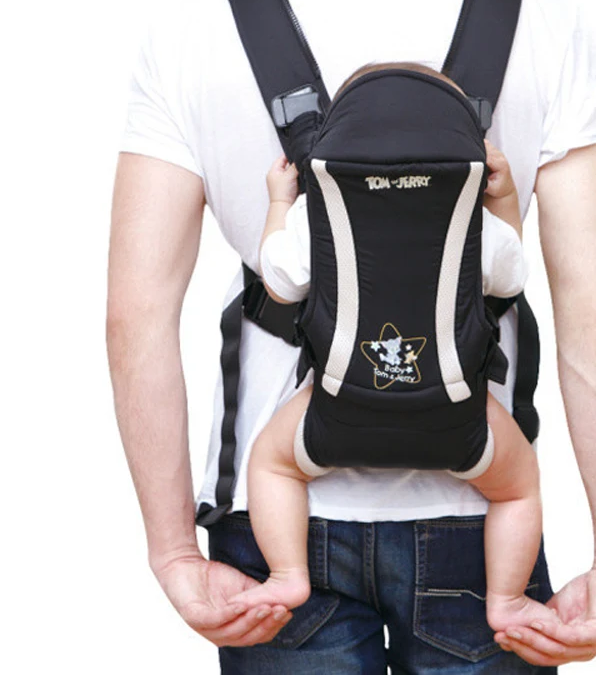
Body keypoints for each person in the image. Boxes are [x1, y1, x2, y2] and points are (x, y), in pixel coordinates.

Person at [108, 0, 596, 672]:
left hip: (282, 506)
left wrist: (174, 550)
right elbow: (594, 313)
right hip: (483, 502)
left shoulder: (198, 24)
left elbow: (136, 314)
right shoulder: (543, 19)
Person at [232, 61, 553, 640]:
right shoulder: (473, 224)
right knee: (519, 486)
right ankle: (506, 601)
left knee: (271, 465)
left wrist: (281, 201)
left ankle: (287, 576)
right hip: (459, 419)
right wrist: (503, 199)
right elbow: (510, 280)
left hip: (335, 410)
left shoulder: (317, 213)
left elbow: (278, 284)